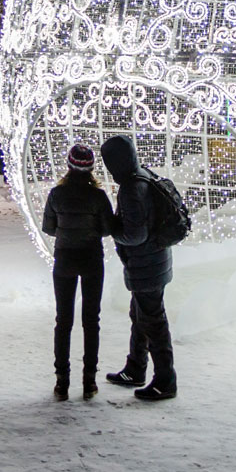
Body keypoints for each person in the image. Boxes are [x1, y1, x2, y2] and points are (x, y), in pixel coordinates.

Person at [101, 135, 176, 401]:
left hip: (146, 264)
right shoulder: (144, 174)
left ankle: (165, 381)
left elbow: (135, 235)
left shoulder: (131, 188)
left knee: (153, 322)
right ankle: (135, 367)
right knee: (141, 315)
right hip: (156, 260)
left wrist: (112, 228)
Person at [42, 143, 117, 401]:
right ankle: (89, 382)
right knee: (91, 321)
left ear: (69, 165)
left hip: (64, 259)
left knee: (63, 321)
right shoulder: (98, 197)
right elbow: (107, 229)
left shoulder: (56, 194)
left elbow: (48, 227)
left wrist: (65, 232)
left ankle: (62, 382)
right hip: (91, 259)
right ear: (92, 168)